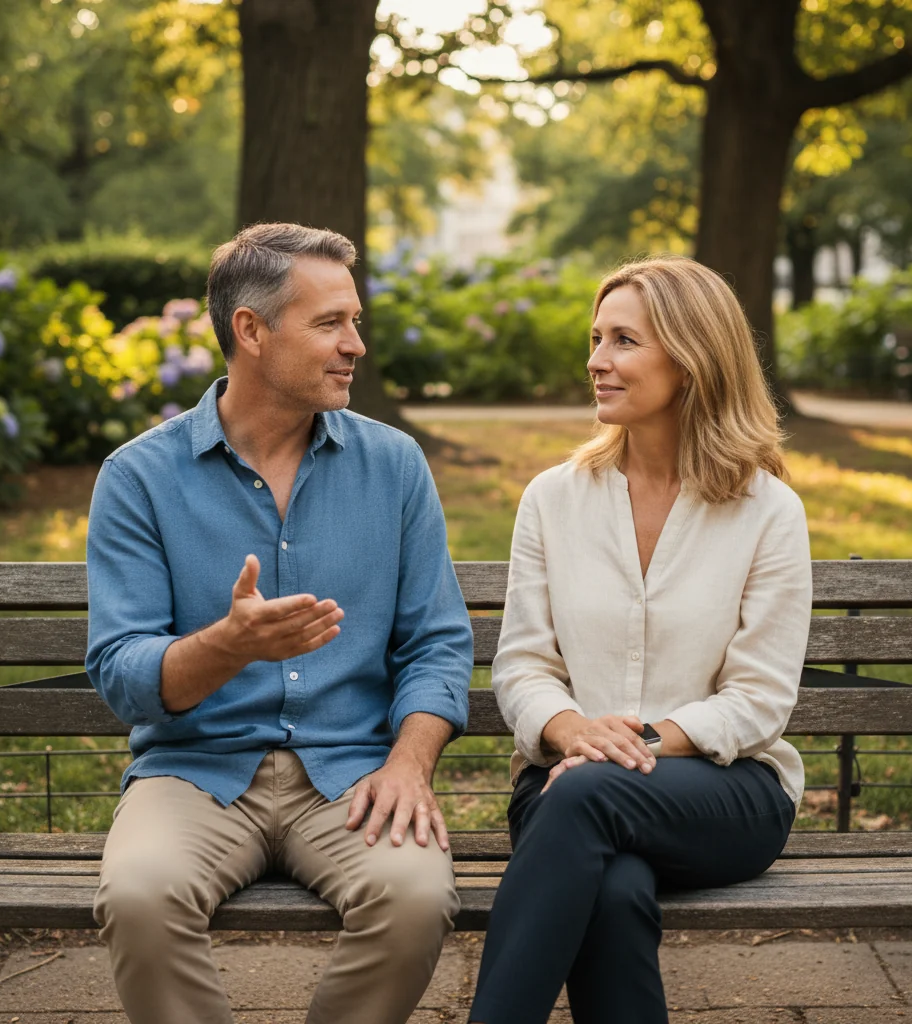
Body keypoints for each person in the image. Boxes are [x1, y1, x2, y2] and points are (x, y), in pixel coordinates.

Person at [86, 222, 473, 1024]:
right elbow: (124, 675)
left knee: (414, 898)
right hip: (194, 771)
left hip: (352, 774)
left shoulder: (394, 465)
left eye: (354, 321)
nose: (355, 345)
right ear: (251, 332)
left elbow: (437, 643)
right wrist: (229, 647)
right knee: (139, 897)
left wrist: (409, 764)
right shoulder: (138, 479)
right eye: (330, 323)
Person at [468, 254, 812, 1024]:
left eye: (623, 341)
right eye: (595, 339)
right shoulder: (554, 500)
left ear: (691, 361)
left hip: (726, 796)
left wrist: (630, 745)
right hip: (560, 790)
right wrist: (571, 732)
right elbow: (524, 665)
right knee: (615, 888)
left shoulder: (768, 510)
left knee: (590, 792)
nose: (596, 361)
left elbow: (759, 699)